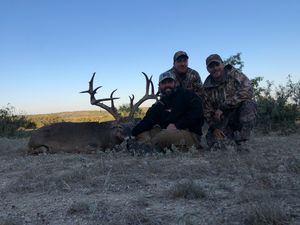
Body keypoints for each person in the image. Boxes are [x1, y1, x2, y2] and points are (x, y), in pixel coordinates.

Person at [130, 71, 204, 152]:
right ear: (159, 86)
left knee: (162, 137)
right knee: (144, 132)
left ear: (175, 83)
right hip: (167, 131)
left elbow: (197, 112)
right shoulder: (159, 105)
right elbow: (147, 121)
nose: (167, 85)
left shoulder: (186, 95)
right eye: (164, 83)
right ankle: (146, 146)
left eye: (170, 82)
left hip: (190, 134)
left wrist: (177, 125)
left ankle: (146, 148)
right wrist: (131, 133)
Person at [203, 54, 257, 150]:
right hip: (223, 120)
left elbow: (248, 90)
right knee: (212, 142)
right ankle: (231, 138)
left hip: (238, 113)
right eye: (211, 66)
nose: (215, 68)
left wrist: (224, 106)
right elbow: (207, 111)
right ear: (207, 69)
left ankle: (244, 140)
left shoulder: (234, 74)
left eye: (217, 64)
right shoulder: (207, 86)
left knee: (249, 104)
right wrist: (214, 128)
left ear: (222, 65)